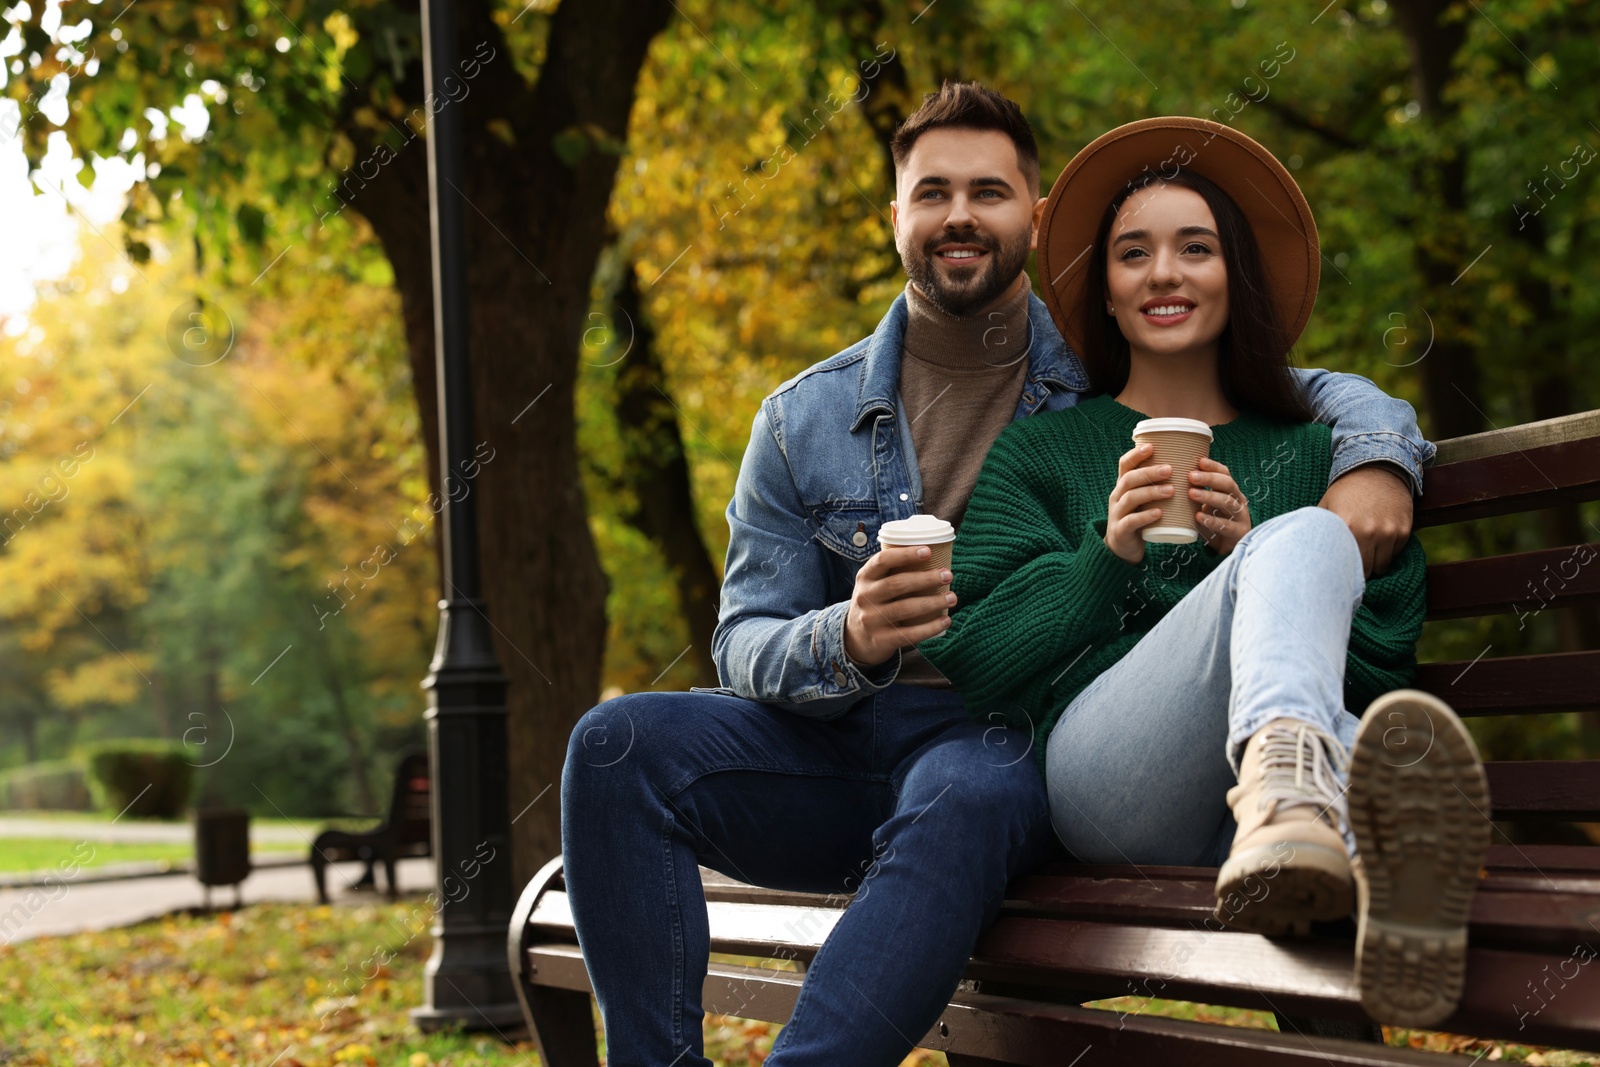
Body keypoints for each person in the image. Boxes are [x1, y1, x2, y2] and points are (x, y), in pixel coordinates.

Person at [560, 87, 1438, 1065]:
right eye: (930, 192)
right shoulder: (801, 418)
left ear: (1037, 211)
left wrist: (1372, 454)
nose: (959, 215)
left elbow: (1288, 384)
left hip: (1007, 736)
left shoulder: (1105, 359)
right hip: (834, 740)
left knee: (963, 796)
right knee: (614, 744)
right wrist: (843, 635)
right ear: (892, 216)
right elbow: (742, 640)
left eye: (989, 189)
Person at [918, 116, 1491, 1028]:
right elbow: (977, 650)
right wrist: (1104, 561)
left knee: (1299, 539)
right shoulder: (1043, 451)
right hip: (1106, 786)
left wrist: (1253, 562)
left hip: (1252, 819)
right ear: (1105, 291)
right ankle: (1336, 799)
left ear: (1236, 277)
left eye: (1197, 248)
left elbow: (1384, 653)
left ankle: (1324, 827)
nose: (1165, 274)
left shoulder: (1317, 452)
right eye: (1133, 253)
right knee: (1302, 541)